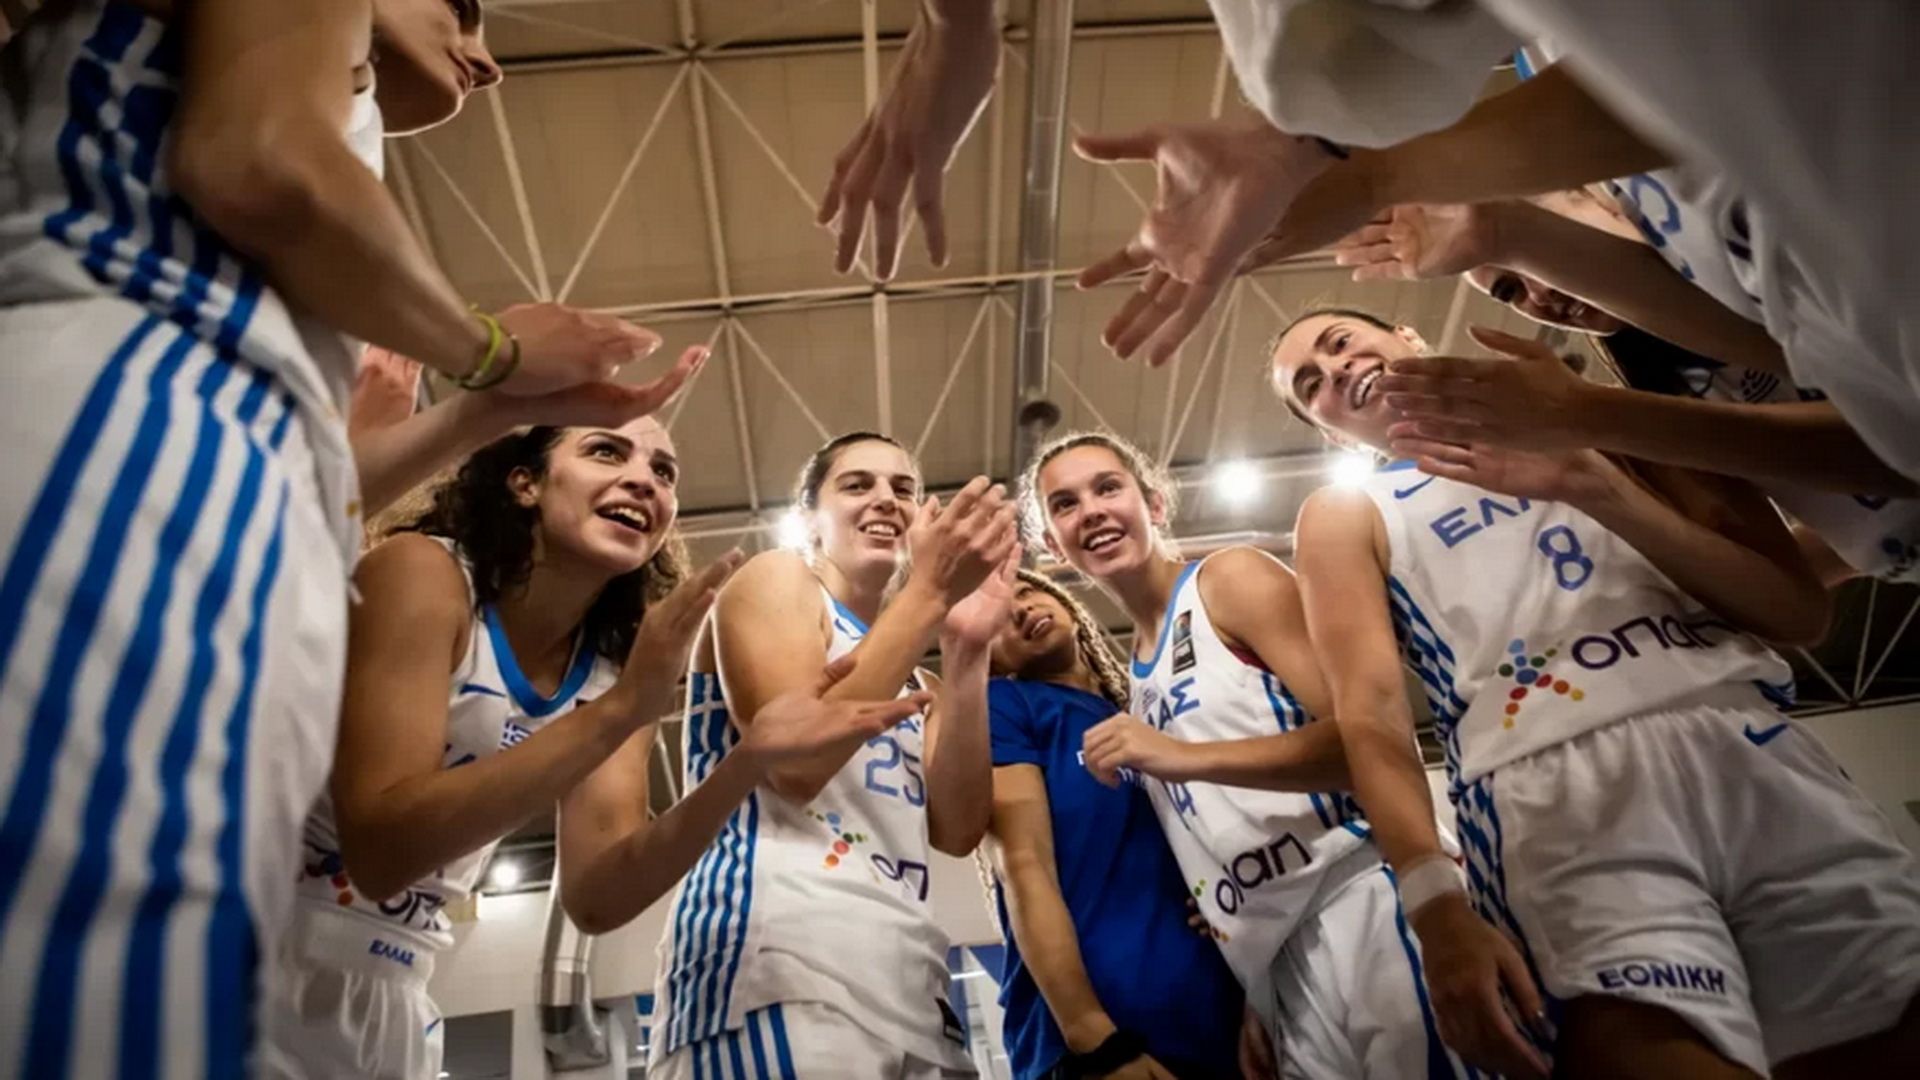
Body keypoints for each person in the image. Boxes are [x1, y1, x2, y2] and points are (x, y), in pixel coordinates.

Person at [0, 3, 669, 1073]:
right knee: (88, 966)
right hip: (120, 400)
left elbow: (323, 482)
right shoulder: (430, 573)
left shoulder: (324, 135)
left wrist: (483, 405)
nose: (486, 59)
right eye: (461, 7)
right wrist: (491, 349)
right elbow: (259, 160)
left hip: (226, 484)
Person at [1271, 307, 1920, 1078]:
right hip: (1551, 791)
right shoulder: (1345, 513)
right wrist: (1434, 901)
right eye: (1310, 384)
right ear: (1332, 433)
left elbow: (1795, 613)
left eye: (1340, 342)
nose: (1336, 369)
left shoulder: (1607, 419)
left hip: (1748, 741)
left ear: (1408, 335)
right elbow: (1372, 714)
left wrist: (1596, 484)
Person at [258, 417, 924, 1078]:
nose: (644, 480)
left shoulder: (614, 666)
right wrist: (619, 712)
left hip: (395, 977)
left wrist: (745, 764)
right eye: (606, 452)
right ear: (524, 482)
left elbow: (598, 897)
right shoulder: (422, 571)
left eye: (663, 472)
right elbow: (380, 854)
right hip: (255, 938)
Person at [1022, 430, 1474, 1079]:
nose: (1090, 510)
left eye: (1107, 488)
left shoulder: (1230, 579)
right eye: (1065, 504)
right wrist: (1246, 957)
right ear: (1051, 544)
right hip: (1280, 966)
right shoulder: (1138, 681)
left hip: (1365, 897)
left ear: (1155, 503)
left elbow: (1369, 738)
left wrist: (1182, 757)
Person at [649, 432, 1016, 1080]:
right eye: (857, 484)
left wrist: (966, 650)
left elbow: (959, 831)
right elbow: (796, 763)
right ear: (808, 518)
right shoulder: (776, 578)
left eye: (903, 488)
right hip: (778, 962)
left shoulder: (918, 681)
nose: (886, 499)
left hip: (910, 985)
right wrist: (930, 593)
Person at [1330, 199, 1920, 583]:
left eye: (1532, 253)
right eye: (1510, 290)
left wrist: (1586, 416)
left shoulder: (1745, 256)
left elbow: (1895, 442)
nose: (1538, 295)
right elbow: (1802, 561)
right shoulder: (1658, 378)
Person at [980, 568, 1244, 1080]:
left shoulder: (1148, 710)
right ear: (990, 658)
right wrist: (1094, 1038)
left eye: (1029, 591)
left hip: (1218, 1024)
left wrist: (1223, 898)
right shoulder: (1008, 706)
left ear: (1067, 604)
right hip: (1101, 1046)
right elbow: (1024, 868)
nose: (1021, 609)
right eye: (998, 619)